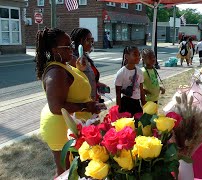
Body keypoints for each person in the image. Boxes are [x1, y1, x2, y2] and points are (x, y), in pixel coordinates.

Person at [35, 28, 102, 177]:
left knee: (76, 169)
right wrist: (87, 106)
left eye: (71, 44)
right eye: (67, 45)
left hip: (71, 123)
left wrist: (80, 69)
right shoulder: (56, 71)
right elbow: (56, 107)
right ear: (54, 49)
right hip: (61, 128)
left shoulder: (63, 64)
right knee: (67, 173)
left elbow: (72, 85)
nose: (71, 47)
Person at [70, 28, 110, 102]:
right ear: (79, 42)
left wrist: (98, 84)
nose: (91, 43)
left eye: (92, 40)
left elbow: (88, 78)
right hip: (83, 103)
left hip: (92, 100)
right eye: (88, 40)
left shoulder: (85, 57)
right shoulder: (74, 59)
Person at [115, 46, 146, 116]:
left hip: (137, 104)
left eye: (139, 54)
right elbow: (118, 94)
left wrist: (145, 105)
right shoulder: (121, 73)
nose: (138, 57)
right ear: (126, 56)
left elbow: (141, 90)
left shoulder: (140, 71)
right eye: (135, 54)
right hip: (126, 104)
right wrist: (118, 110)